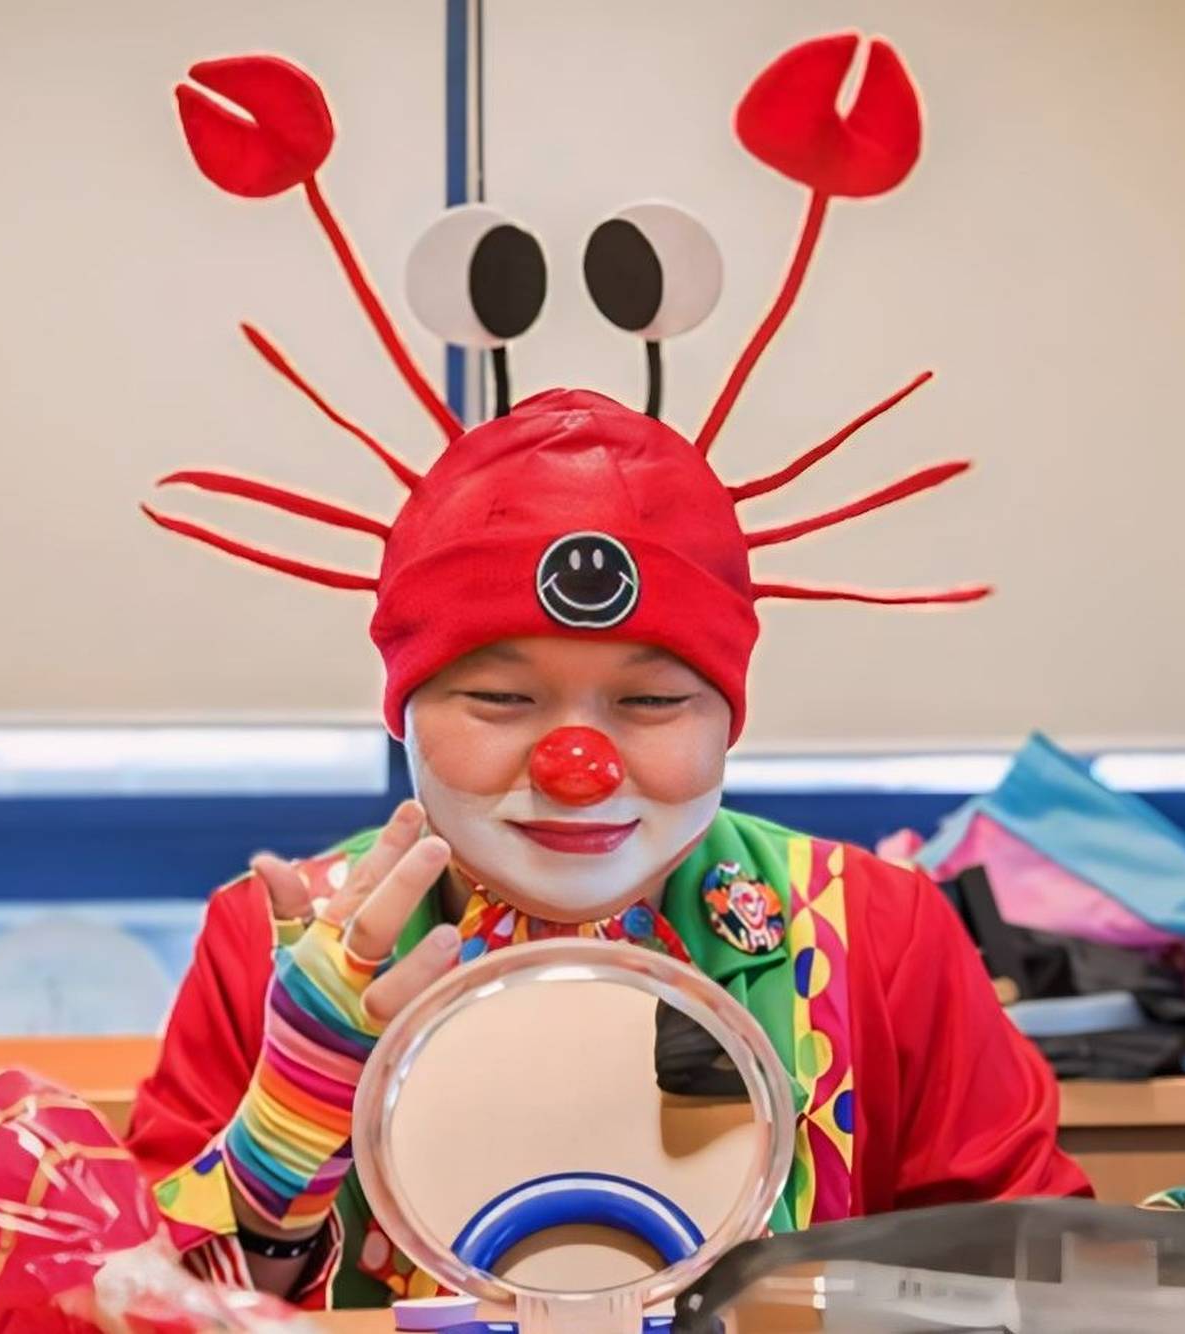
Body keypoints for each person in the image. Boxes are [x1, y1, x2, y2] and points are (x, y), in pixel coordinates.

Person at [125, 31, 1090, 1310]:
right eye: (500, 697)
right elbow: (145, 1305)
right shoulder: (272, 938)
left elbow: (1029, 1273)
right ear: (405, 706)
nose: (575, 761)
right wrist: (281, 1128)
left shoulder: (878, 935)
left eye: (647, 699)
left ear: (727, 708)